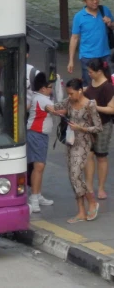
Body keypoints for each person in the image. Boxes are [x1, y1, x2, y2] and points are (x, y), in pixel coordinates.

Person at [57, 78, 103, 223]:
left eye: (71, 93)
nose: (69, 96)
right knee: (72, 176)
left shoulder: (90, 105)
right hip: (71, 141)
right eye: (68, 94)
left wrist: (81, 128)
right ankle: (81, 211)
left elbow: (98, 127)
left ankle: (92, 202)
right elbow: (55, 106)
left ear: (80, 91)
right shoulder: (69, 101)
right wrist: (49, 109)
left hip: (83, 142)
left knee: (76, 174)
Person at [68, 0, 113, 85]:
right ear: (85, 1)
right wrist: (71, 60)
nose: (95, 1)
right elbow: (74, 38)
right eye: (91, 0)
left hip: (105, 55)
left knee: (109, 83)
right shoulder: (79, 17)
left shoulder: (104, 10)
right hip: (87, 57)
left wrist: (110, 24)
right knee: (89, 85)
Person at [83, 58, 114, 200]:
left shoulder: (108, 87)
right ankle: (89, 186)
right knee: (89, 155)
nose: (89, 74)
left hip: (103, 125)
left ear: (99, 72)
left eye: (91, 72)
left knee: (101, 156)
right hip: (89, 125)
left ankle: (100, 187)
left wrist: (95, 107)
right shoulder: (92, 83)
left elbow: (111, 109)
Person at [26, 72, 57, 212]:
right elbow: (57, 110)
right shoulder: (43, 99)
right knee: (38, 167)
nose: (52, 90)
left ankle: (37, 194)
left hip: (39, 135)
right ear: (43, 88)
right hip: (37, 135)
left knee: (39, 167)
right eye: (50, 87)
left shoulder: (39, 97)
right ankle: (33, 197)